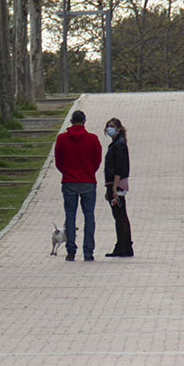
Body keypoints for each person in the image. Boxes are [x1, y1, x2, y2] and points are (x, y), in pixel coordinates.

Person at [54, 110, 103, 261]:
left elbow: (58, 161)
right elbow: (97, 160)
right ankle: (88, 251)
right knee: (89, 216)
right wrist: (89, 172)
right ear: (84, 121)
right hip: (88, 181)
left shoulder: (61, 139)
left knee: (70, 215)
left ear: (71, 121)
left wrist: (67, 172)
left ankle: (71, 250)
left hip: (69, 181)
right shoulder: (93, 139)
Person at [103, 118, 133, 257]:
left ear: (119, 128)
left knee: (121, 216)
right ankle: (121, 244)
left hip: (117, 184)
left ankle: (125, 245)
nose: (110, 129)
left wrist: (114, 188)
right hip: (112, 184)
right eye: (108, 127)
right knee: (118, 216)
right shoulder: (115, 144)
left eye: (112, 126)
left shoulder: (119, 145)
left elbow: (119, 169)